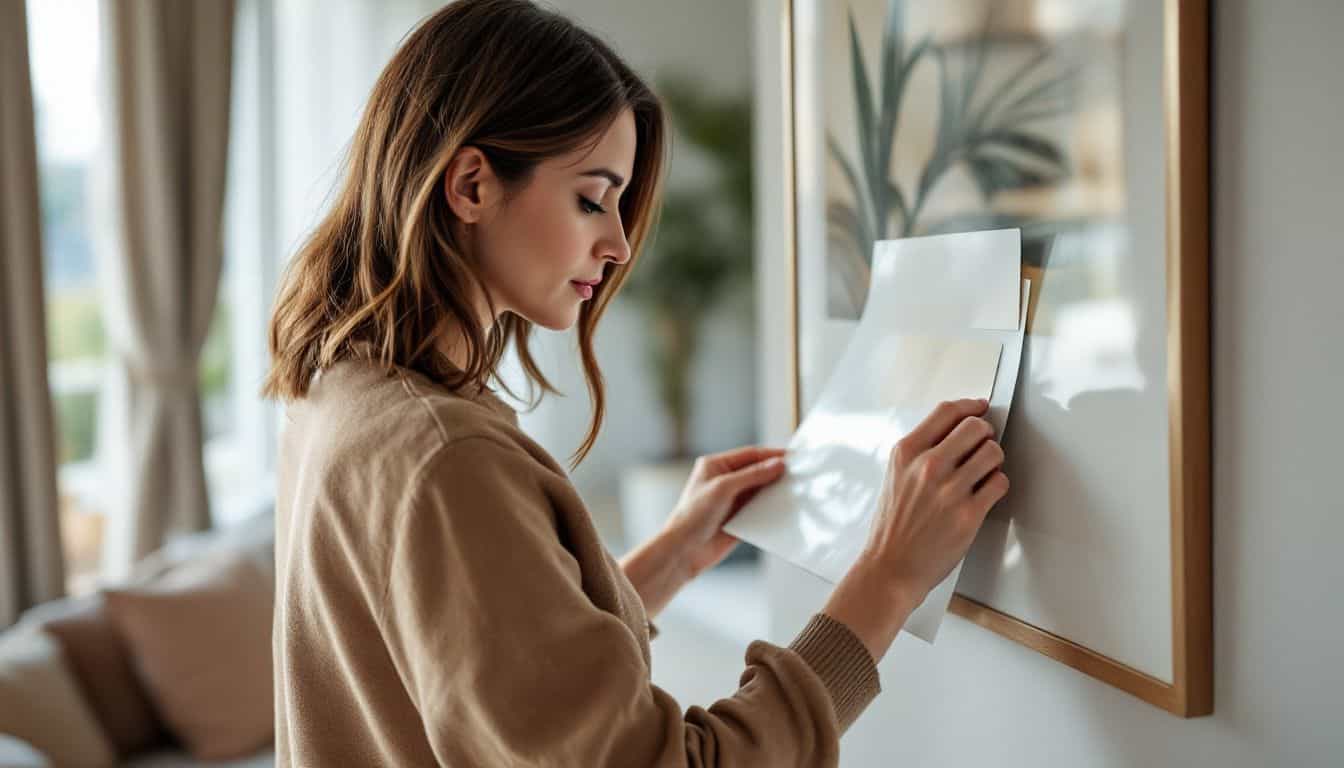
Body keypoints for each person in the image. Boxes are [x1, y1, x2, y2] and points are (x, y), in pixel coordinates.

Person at [261, 1, 1009, 765]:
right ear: (472, 184)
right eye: (592, 198)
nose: (618, 243)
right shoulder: (446, 453)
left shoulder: (344, 389)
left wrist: (674, 555)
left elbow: (474, 657)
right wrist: (886, 578)